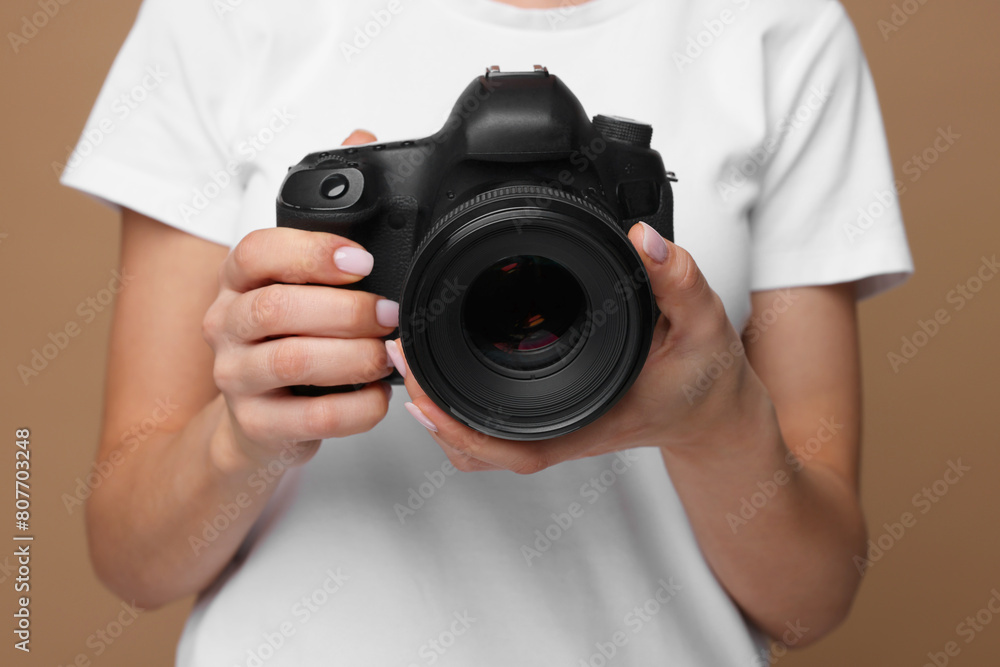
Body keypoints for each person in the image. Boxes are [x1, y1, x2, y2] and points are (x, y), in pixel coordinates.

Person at [61, 0, 913, 664]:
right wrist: (243, 436)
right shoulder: (218, 17)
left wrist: (717, 423)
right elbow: (134, 561)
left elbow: (812, 599)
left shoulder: (782, 26)